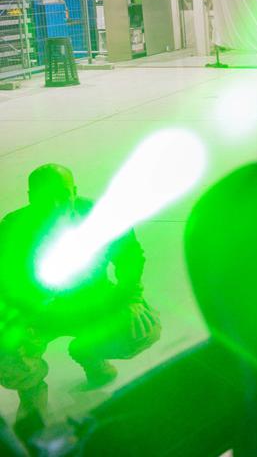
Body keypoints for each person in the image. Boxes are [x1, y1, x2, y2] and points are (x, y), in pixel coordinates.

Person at [0, 164, 161, 440]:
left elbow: (130, 259)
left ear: (74, 190)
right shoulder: (11, 229)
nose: (54, 205)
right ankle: (31, 390)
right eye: (44, 198)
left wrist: (132, 299)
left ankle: (90, 354)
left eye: (63, 195)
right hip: (38, 313)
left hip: (93, 304)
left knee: (143, 327)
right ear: (29, 197)